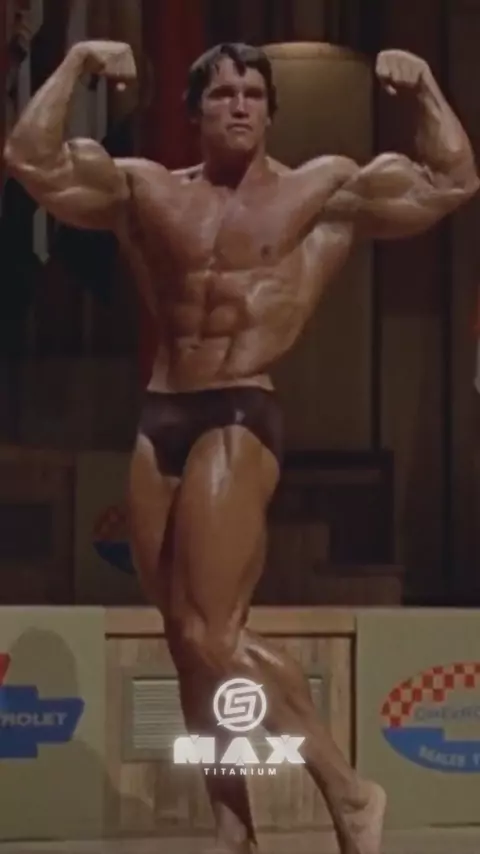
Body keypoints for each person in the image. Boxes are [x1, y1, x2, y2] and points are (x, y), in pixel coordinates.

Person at [4, 40, 478, 854]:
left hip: (239, 411)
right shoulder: (146, 189)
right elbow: (29, 158)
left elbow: (452, 180)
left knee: (214, 636)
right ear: (194, 111)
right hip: (161, 415)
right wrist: (78, 61)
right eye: (223, 93)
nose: (240, 106)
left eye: (254, 94)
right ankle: (233, 827)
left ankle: (348, 790)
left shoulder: (319, 191)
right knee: (186, 640)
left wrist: (427, 86)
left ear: (271, 112)